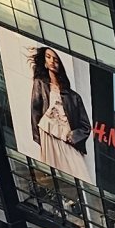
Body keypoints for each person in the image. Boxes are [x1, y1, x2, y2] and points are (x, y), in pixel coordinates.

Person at [28, 45, 90, 178]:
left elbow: (86, 127)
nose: (52, 61)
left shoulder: (74, 96)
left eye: (56, 59)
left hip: (68, 139)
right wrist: (40, 139)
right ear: (44, 61)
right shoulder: (40, 83)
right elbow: (35, 111)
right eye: (48, 57)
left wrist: (73, 136)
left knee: (80, 174)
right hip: (47, 133)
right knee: (55, 175)